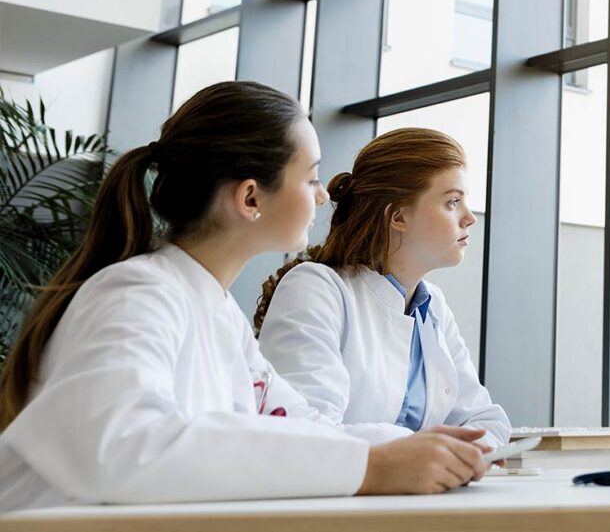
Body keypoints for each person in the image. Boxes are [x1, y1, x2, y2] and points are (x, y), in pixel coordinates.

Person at [0, 82, 491, 512]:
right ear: (251, 198)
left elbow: (299, 425)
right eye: (311, 177)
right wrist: (369, 464)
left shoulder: (216, 314)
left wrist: (417, 452)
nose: (323, 197)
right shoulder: (135, 295)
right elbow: (123, 446)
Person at [255, 128, 509, 449]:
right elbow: (303, 432)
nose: (469, 217)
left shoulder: (433, 306)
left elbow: (486, 420)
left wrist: (446, 454)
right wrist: (420, 450)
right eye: (453, 202)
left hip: (418, 494)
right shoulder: (316, 289)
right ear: (398, 216)